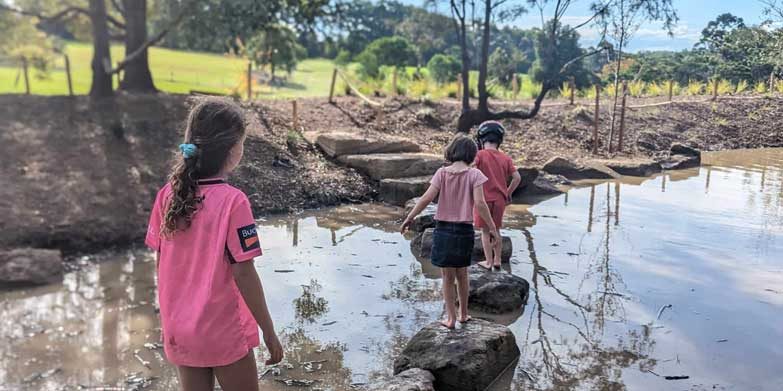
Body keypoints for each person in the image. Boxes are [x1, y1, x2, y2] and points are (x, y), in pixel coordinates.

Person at [145, 98, 283, 391]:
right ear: (234, 150)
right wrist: (269, 333)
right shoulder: (234, 202)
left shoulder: (166, 196)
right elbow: (244, 273)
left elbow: (161, 263)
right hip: (222, 330)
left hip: (180, 328)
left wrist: (171, 318)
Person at [401, 135, 499, 329]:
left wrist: (410, 217)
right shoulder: (475, 174)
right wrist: (492, 227)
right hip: (464, 231)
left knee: (447, 277)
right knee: (463, 274)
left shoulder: (442, 173)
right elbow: (480, 203)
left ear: (452, 151)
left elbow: (426, 198)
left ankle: (451, 319)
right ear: (472, 154)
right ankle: (464, 314)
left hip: (443, 229)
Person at [472, 121, 521, 270]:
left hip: (483, 200)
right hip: (500, 200)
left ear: (481, 139)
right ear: (500, 140)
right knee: (497, 229)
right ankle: (498, 260)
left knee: (485, 232)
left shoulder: (479, 155)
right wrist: (507, 192)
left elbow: (472, 168)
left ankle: (488, 262)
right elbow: (517, 178)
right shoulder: (506, 158)